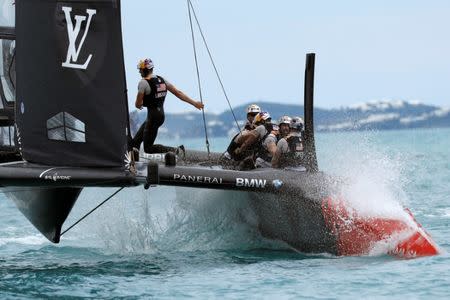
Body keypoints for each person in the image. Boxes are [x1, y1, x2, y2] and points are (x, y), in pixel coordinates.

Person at [130, 58, 204, 154]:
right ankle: (133, 161)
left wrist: (141, 104)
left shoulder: (143, 83)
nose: (139, 72)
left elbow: (137, 104)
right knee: (136, 141)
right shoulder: (161, 79)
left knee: (148, 148)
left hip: (153, 117)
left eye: (140, 69)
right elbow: (178, 93)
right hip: (159, 116)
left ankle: (177, 151)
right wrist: (194, 103)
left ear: (145, 70)